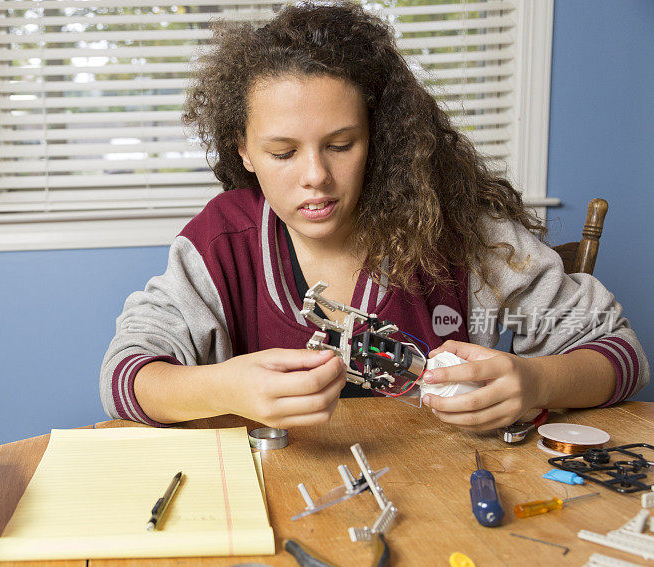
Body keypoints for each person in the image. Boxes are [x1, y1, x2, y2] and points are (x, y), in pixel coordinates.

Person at [100, 2, 648, 431]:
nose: (315, 175)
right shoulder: (223, 242)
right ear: (243, 149)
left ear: (376, 138)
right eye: (283, 153)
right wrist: (223, 388)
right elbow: (125, 375)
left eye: (341, 144)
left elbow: (620, 353)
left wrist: (535, 381)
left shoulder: (456, 225)